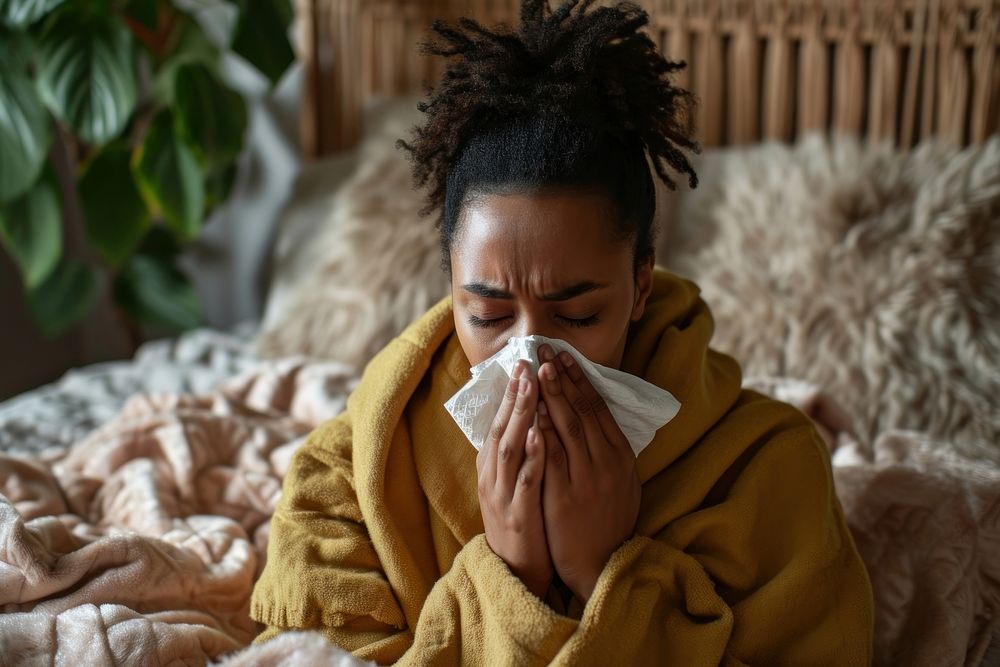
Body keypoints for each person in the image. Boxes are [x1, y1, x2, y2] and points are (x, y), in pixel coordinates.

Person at [250, 1, 874, 664]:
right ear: (451, 285)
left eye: (576, 315)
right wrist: (511, 575)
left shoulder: (769, 468)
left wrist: (605, 574)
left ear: (640, 285)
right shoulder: (351, 475)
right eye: (488, 316)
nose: (528, 357)